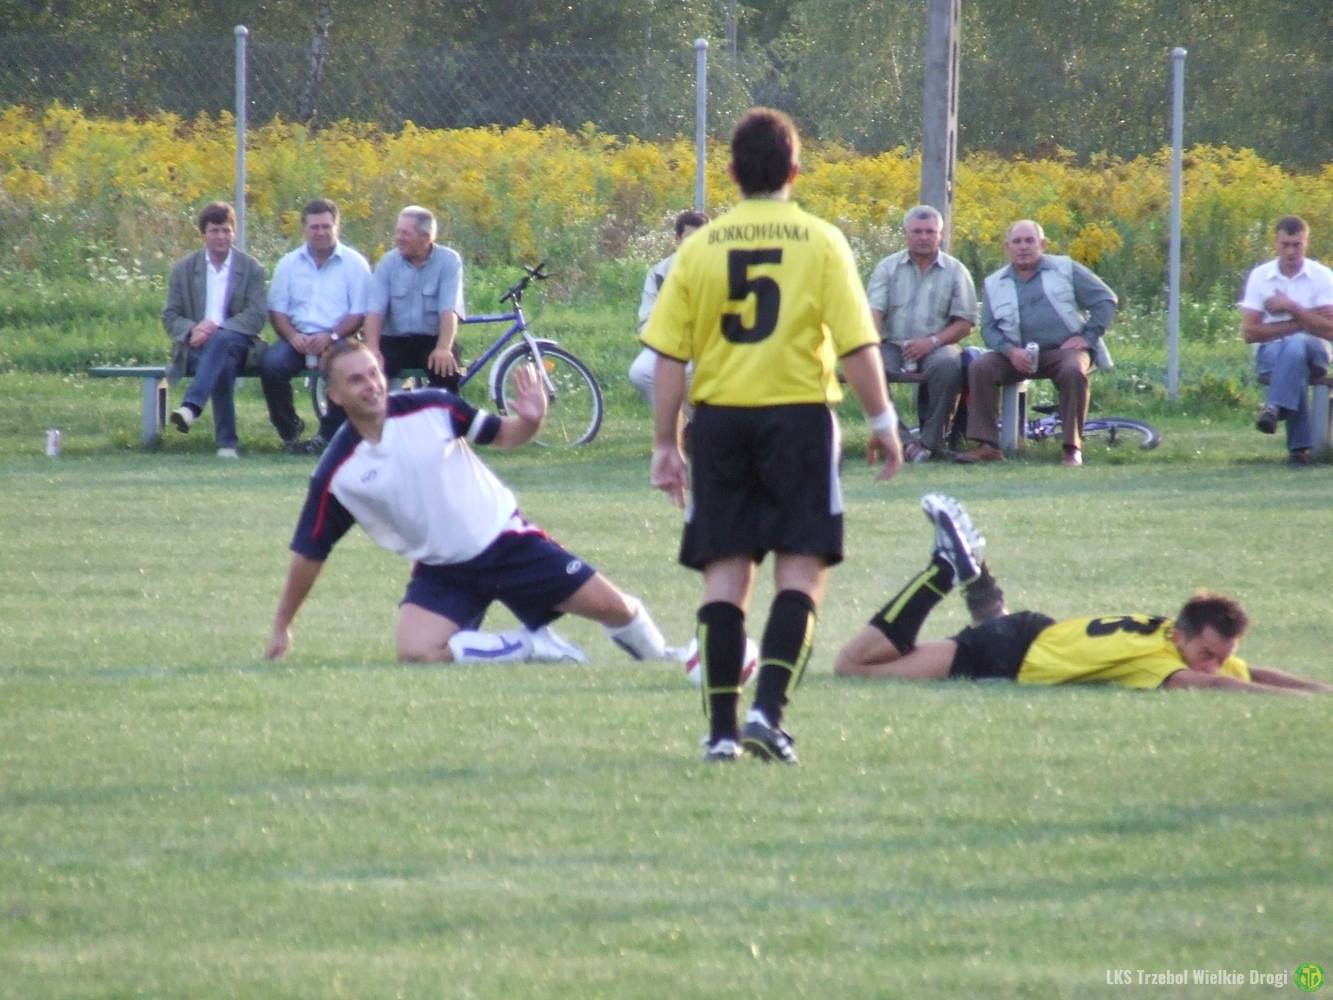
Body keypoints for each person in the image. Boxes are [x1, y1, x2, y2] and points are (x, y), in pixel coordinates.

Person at [642, 107, 904, 765]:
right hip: (798, 420)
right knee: (800, 570)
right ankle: (768, 714)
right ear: (795, 170)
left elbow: (668, 356)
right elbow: (857, 344)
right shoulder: (820, 241)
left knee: (725, 576)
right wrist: (882, 422)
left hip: (719, 423)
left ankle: (720, 734)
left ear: (731, 173)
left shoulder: (698, 247)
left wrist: (665, 444)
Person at [264, 339, 668, 667]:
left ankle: (665, 659)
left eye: (373, 373)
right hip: (444, 570)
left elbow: (504, 435)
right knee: (416, 652)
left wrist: (530, 421)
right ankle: (530, 646)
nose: (371, 384)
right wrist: (283, 625)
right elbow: (310, 553)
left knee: (617, 609)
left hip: (507, 543)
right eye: (356, 380)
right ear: (334, 395)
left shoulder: (433, 406)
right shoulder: (338, 473)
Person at [834, 494, 1332, 696]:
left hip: (1029, 632)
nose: (1213, 667)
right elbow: (1217, 687)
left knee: (992, 623)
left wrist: (1322, 690)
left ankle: (978, 577)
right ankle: (943, 572)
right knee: (854, 667)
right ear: (1181, 637)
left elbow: (1252, 672)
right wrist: (1299, 701)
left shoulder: (1174, 635)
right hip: (1009, 652)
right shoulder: (1161, 663)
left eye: (1221, 657)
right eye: (1206, 654)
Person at [955, 220, 1118, 468]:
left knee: (1073, 371)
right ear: (1007, 247)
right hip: (1016, 354)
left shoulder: (1065, 268)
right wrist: (1011, 352)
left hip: (1064, 350)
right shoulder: (994, 282)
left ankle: (1072, 448)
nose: (1023, 247)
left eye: (1029, 241)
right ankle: (987, 446)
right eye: (1017, 242)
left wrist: (1087, 337)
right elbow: (988, 328)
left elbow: (1105, 299)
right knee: (980, 367)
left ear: (1043, 244)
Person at [865, 204, 978, 461]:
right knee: (870, 367)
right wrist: (871, 345)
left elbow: (964, 323)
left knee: (948, 366)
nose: (924, 237)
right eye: (917, 231)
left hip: (938, 343)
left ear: (940, 234)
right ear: (906, 233)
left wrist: (932, 342)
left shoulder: (956, 271)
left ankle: (930, 442)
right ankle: (904, 442)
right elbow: (874, 313)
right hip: (892, 343)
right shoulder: (887, 268)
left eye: (930, 232)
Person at [260, 198, 372, 453]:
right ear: (304, 229)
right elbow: (277, 310)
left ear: (337, 227)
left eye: (326, 226)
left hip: (338, 337)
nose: (320, 232)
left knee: (344, 368)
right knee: (271, 365)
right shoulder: (288, 264)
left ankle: (328, 435)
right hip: (296, 338)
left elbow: (359, 313)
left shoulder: (355, 264)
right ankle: (290, 431)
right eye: (314, 227)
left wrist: (331, 336)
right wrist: (292, 336)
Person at [161, 201, 268, 459]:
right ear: (203, 234)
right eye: (214, 231)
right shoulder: (184, 270)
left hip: (241, 345)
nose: (221, 236)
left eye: (226, 230)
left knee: (222, 341)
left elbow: (256, 317)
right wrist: (193, 330)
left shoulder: (252, 269)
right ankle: (226, 445)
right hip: (195, 348)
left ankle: (191, 407)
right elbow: (170, 316)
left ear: (234, 233)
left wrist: (215, 327)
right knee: (222, 361)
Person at [1238, 215, 1333, 467]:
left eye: (1297, 245)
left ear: (1306, 243)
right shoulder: (1260, 276)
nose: (1291, 251)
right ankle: (1298, 453)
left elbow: (1330, 331)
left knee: (1298, 344)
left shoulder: (1322, 276)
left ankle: (1273, 407)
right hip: (1270, 354)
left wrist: (1290, 307)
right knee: (1293, 358)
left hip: (1316, 353)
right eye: (1285, 245)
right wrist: (1305, 319)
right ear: (1276, 243)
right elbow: (1250, 333)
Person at [363, 205, 466, 393]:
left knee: (447, 370)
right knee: (368, 370)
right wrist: (372, 348)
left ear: (426, 237)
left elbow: (449, 309)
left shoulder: (449, 261)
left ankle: (441, 411)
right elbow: (375, 311)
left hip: (432, 339)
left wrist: (444, 348)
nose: (398, 238)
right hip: (394, 340)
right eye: (397, 232)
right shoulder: (388, 263)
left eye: (405, 233)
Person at [628, 210, 709, 406]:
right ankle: (675, 421)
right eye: (690, 239)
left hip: (710, 346)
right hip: (670, 343)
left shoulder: (721, 268)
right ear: (677, 239)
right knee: (640, 372)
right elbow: (647, 320)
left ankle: (694, 420)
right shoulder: (659, 274)